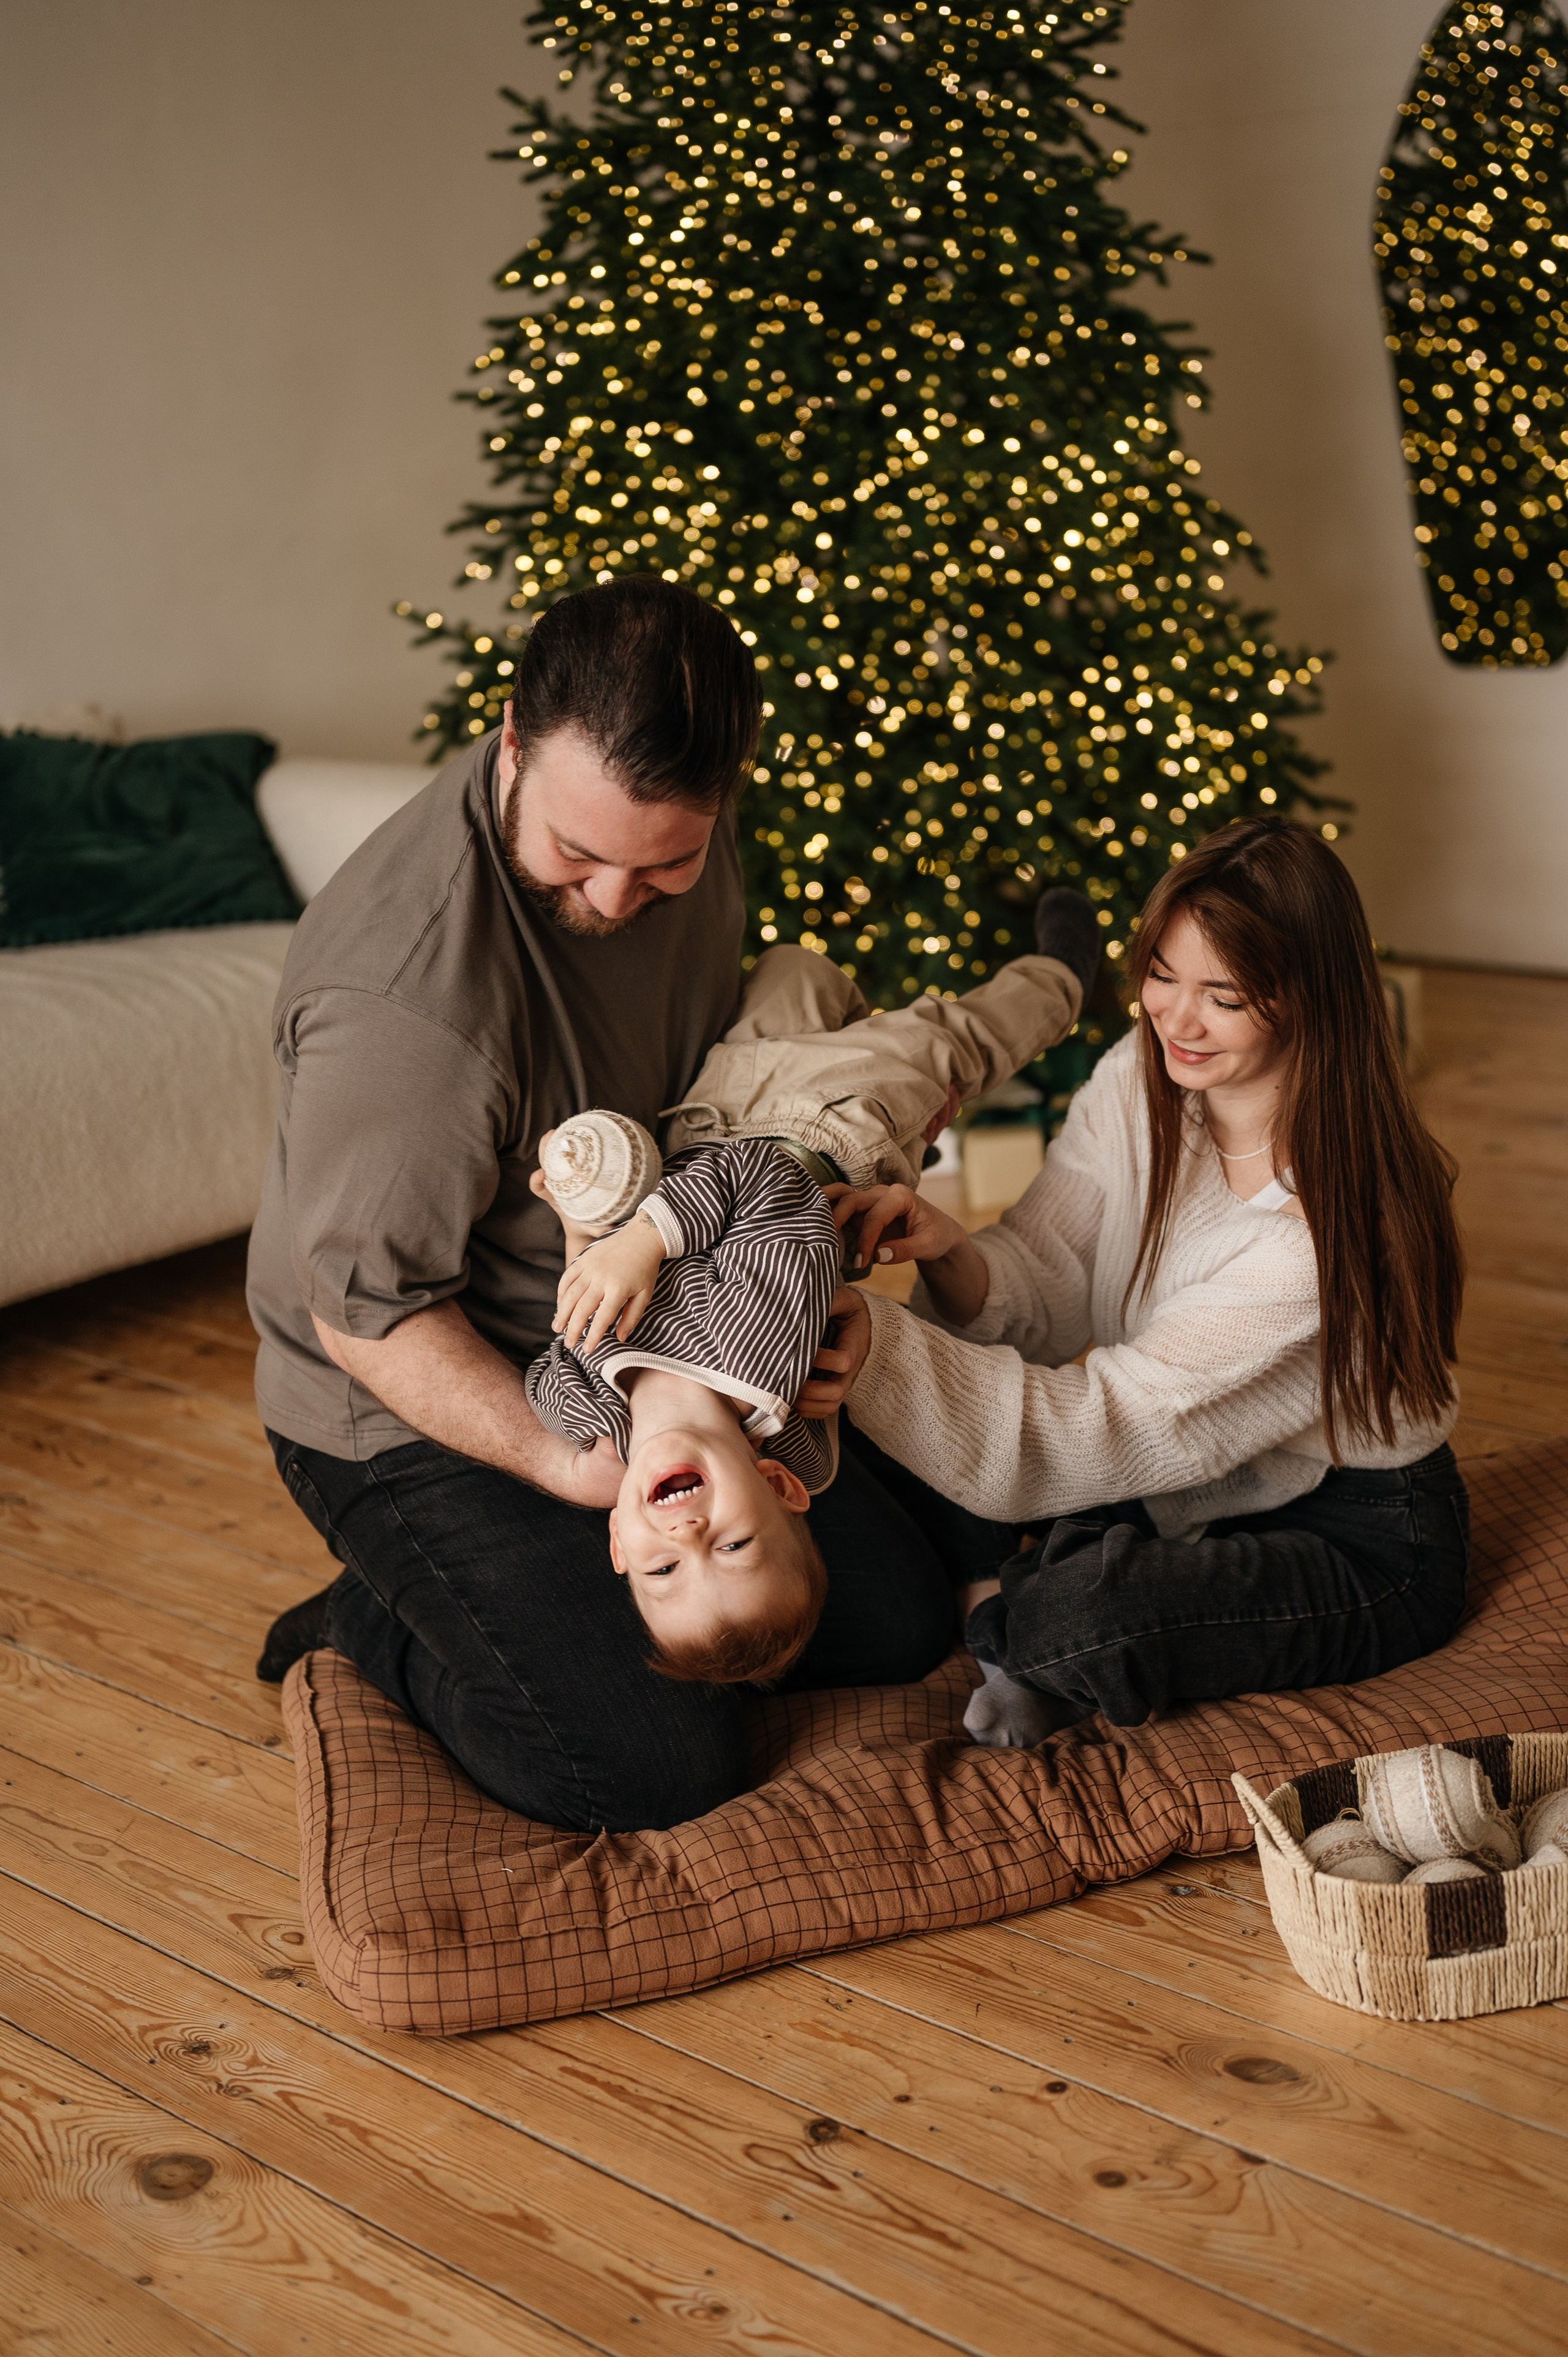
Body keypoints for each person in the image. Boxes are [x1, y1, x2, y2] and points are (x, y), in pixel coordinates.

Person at [246, 576, 1035, 1831]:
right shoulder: (406, 1003)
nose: (615, 901)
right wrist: (571, 1462)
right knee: (651, 1766)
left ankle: (521, 1596)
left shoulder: (675, 814)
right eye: (577, 856)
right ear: (514, 740)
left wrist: (789, 1307)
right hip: (407, 1404)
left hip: (660, 1324)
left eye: (666, 865)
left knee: (889, 1621)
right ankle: (373, 1615)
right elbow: (365, 1320)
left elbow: (718, 1103)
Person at [809, 817, 1469, 1748]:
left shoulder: (1318, 1233)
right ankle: (1018, 1590)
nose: (1176, 1019)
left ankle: (1009, 1611)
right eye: (1162, 974)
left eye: (1223, 997)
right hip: (1193, 1461)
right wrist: (949, 1249)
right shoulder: (1142, 1077)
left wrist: (877, 1350)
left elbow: (1100, 1425)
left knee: (1082, 1608)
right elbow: (1049, 1269)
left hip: (1362, 1526)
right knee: (917, 1435)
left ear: (1309, 998)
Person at [522, 909, 1099, 1684]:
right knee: (961, 1037)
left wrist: (583, 1235)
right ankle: (1060, 982)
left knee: (794, 967)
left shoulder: (595, 1414)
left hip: (714, 1106)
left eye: (664, 1569)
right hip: (834, 1113)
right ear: (776, 1483)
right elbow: (769, 1182)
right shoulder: (756, 1352)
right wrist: (646, 1241)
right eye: (732, 1545)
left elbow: (560, 1345)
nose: (688, 1534)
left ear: (621, 1543)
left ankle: (848, 1012)